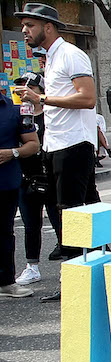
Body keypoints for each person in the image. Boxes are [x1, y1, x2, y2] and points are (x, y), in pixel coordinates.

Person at [13, 4, 100, 276]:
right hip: (57, 144)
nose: (24, 31)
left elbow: (88, 98)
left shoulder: (71, 55)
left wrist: (41, 98)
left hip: (73, 145)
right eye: (23, 26)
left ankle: (76, 283)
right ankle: (99, 273)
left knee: (71, 216)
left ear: (48, 27)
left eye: (30, 25)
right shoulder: (51, 58)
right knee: (81, 212)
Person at [0, 90, 40, 298]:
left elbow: (33, 144)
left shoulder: (14, 111)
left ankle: (6, 282)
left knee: (4, 233)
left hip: (5, 183)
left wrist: (12, 153)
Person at [14, 73, 49, 287]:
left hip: (49, 175)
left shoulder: (50, 114)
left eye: (30, 87)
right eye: (20, 87)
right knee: (30, 224)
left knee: (59, 221)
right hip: (26, 177)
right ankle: (32, 265)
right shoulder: (18, 115)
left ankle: (69, 261)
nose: (24, 91)